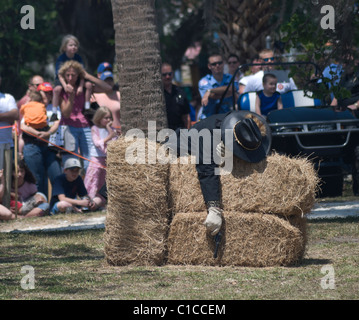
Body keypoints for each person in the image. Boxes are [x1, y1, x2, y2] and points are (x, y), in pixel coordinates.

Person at [165, 110, 271, 236]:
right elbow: (206, 169)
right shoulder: (209, 134)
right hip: (178, 148)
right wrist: (214, 208)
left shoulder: (246, 125)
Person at [57, 60, 112, 172]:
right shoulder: (61, 90)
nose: (71, 78)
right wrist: (71, 96)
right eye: (68, 75)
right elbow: (66, 114)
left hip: (85, 126)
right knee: (71, 163)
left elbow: (108, 88)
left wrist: (87, 76)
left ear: (78, 76)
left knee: (89, 163)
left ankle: (88, 188)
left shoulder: (85, 87)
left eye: (73, 75)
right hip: (68, 126)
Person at [20, 84, 62, 198]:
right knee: (37, 178)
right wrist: (38, 134)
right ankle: (41, 207)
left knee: (56, 176)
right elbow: (23, 126)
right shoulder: (31, 106)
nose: (48, 95)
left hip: (50, 148)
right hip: (32, 145)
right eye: (45, 92)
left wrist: (47, 133)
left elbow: (57, 123)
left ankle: (56, 206)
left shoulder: (54, 108)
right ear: (39, 93)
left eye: (49, 92)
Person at [330, 58, 359, 195]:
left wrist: (356, 105)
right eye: (344, 62)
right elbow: (337, 95)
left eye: (348, 62)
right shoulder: (345, 76)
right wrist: (330, 108)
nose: (345, 65)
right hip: (343, 114)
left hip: (355, 114)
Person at [52, 35, 93, 114]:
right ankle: (54, 112)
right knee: (57, 89)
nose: (73, 47)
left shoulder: (78, 58)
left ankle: (87, 107)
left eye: (75, 45)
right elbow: (59, 74)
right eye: (71, 45)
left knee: (89, 85)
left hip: (76, 77)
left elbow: (82, 73)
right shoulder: (61, 58)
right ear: (65, 47)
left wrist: (81, 86)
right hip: (62, 79)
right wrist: (65, 86)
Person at [84, 107, 117, 200]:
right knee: (93, 179)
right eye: (105, 118)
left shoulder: (112, 130)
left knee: (103, 180)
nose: (108, 120)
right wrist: (109, 136)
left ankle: (100, 200)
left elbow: (113, 142)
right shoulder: (95, 128)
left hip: (106, 159)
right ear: (99, 118)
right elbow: (97, 143)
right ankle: (89, 199)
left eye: (110, 117)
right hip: (96, 158)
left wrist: (110, 130)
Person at [198, 52, 238, 118]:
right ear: (209, 66)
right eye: (214, 64)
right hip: (210, 118)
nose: (217, 65)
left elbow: (233, 89)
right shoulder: (204, 81)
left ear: (223, 63)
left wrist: (210, 90)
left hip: (228, 118)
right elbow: (213, 96)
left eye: (220, 63)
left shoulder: (231, 78)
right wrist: (228, 92)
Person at [0, 74, 19, 207]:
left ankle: (6, 207)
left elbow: (15, 114)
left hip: (5, 144)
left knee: (5, 178)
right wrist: (5, 117)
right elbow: (9, 116)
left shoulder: (8, 98)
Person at [16, 75, 44, 156]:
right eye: (38, 85)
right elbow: (22, 125)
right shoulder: (26, 101)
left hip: (37, 140)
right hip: (27, 140)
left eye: (43, 84)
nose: (41, 87)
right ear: (30, 86)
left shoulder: (39, 99)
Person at [161, 62, 191, 130]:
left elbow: (186, 117)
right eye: (164, 75)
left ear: (173, 74)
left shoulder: (180, 92)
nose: (167, 77)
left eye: (169, 74)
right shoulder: (158, 94)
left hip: (180, 131)